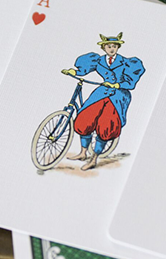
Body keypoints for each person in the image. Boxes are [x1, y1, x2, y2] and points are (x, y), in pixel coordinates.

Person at [61, 33, 144, 171]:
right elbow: (85, 69)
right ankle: (83, 152)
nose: (111, 49)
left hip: (117, 95)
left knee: (106, 124)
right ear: (104, 48)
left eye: (114, 46)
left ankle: (94, 159)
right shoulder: (99, 60)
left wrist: (117, 85)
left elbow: (131, 81)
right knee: (85, 118)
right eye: (108, 46)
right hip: (101, 93)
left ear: (118, 48)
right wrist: (74, 72)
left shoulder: (125, 62)